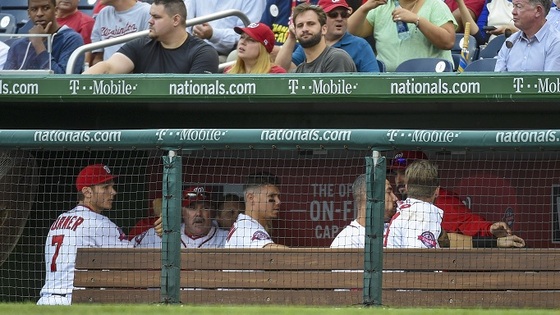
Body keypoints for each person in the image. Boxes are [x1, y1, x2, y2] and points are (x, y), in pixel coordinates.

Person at [37, 164, 131, 305]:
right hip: (75, 301)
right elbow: (135, 258)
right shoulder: (99, 222)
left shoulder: (59, 219)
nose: (113, 192)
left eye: (112, 186)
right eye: (105, 187)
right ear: (87, 192)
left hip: (46, 301)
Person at [389, 151, 525, 248]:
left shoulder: (440, 200)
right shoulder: (393, 202)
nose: (398, 180)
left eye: (403, 173)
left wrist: (489, 229)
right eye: (396, 173)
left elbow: (463, 224)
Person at [83, 0, 219, 74]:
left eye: (156, 17)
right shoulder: (140, 45)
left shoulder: (203, 52)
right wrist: (78, 83)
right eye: (150, 15)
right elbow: (109, 67)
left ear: (176, 20)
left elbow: (194, 101)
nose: (150, 21)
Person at [347, 0, 456, 72]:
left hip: (428, 83)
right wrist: (364, 8)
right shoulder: (381, 6)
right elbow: (350, 33)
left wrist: (417, 20)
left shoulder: (435, 5)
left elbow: (448, 42)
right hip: (388, 84)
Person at [278, 0, 379, 72]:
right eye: (333, 14)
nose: (339, 18)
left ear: (323, 28)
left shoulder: (359, 45)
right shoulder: (309, 45)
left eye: (344, 14)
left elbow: (373, 83)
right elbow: (282, 70)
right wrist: (291, 37)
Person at [3, 0, 84, 74]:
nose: (39, 14)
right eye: (34, 9)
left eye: (46, 8)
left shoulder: (71, 39)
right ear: (28, 13)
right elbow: (6, 82)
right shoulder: (18, 46)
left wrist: (39, 45)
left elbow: (63, 81)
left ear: (56, 11)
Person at [134, 186, 228, 248]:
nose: (198, 213)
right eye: (192, 208)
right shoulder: (157, 235)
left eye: (205, 208)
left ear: (213, 212)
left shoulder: (227, 238)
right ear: (182, 211)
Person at [384, 159, 444, 248]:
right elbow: (418, 258)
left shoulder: (407, 210)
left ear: (407, 187)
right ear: (437, 191)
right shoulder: (423, 212)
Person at [185, 0, 267, 62]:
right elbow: (183, 22)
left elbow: (247, 34)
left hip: (226, 53)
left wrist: (212, 34)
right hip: (193, 47)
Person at [330, 176, 398, 248]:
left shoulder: (395, 229)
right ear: (371, 197)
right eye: (389, 192)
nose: (395, 198)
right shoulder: (347, 240)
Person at [224, 172, 288, 248]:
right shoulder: (246, 228)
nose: (278, 202)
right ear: (251, 198)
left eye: (278, 196)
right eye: (271, 196)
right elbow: (276, 253)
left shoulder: (245, 224)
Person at [495, 0, 560, 71]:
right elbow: (498, 80)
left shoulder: (556, 43)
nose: (513, 12)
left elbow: (550, 81)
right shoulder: (510, 41)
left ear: (538, 11)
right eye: (513, 6)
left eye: (519, 6)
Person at [90, 0, 151, 65]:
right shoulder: (103, 14)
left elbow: (150, 54)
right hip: (108, 73)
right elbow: (98, 57)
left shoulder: (148, 12)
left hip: (136, 73)